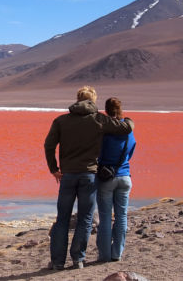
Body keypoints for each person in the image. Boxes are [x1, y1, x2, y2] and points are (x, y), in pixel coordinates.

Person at [44, 86, 135, 270]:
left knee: (62, 218)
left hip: (67, 175)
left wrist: (54, 169)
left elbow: (49, 145)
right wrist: (129, 120)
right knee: (85, 218)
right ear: (93, 101)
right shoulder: (99, 119)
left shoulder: (61, 121)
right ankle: (78, 259)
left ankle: (57, 262)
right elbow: (126, 127)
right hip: (89, 176)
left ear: (77, 99)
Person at [95, 97, 137, 263]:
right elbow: (130, 152)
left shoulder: (104, 132)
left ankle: (104, 255)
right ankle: (116, 253)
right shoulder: (129, 132)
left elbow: (98, 153)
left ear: (106, 110)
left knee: (105, 217)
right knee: (121, 216)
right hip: (125, 177)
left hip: (106, 178)